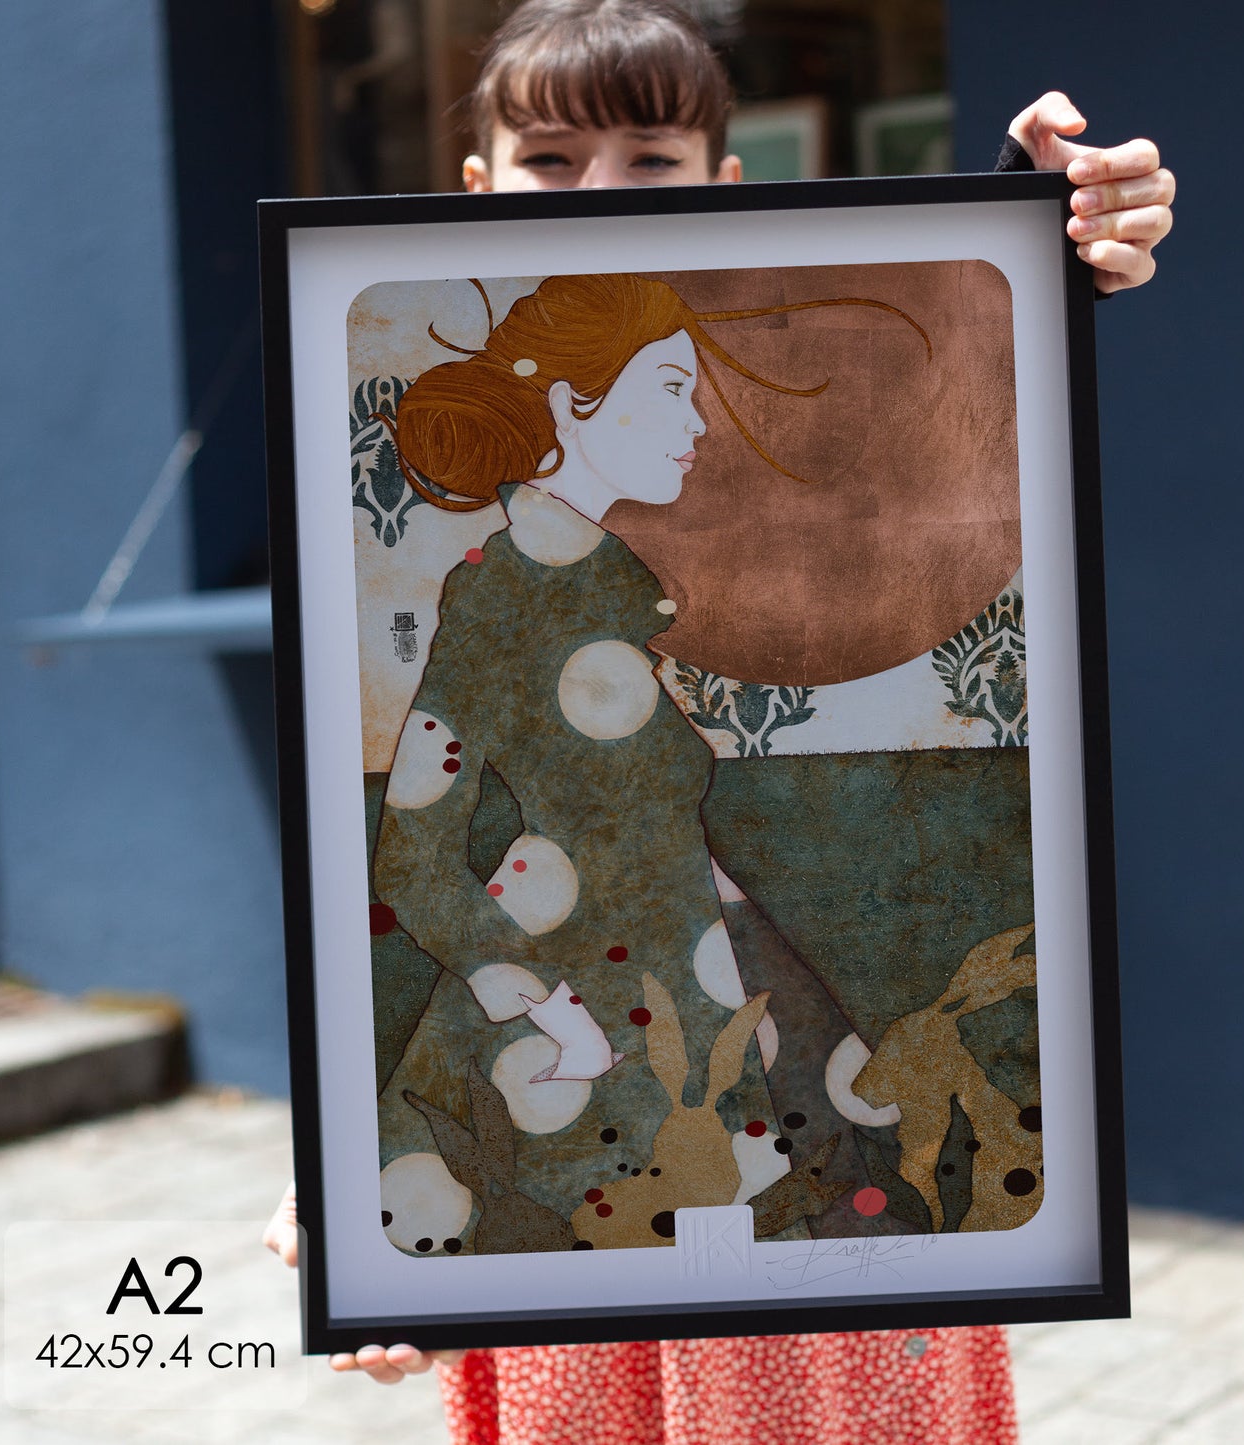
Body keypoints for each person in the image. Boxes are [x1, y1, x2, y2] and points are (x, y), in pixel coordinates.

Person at [265, 3, 1176, 1439]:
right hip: (610, 1104)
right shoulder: (507, 584)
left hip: (730, 1070)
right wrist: (378, 1136)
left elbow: (941, 361)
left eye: (650, 155)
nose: (603, 195)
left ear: (727, 188)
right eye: (553, 160)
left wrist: (1045, 227)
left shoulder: (631, 548)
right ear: (480, 192)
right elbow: (414, 855)